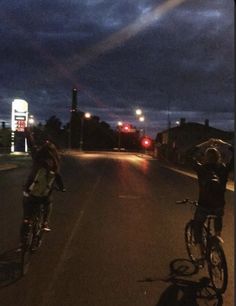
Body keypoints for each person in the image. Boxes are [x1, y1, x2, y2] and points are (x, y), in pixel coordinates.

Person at [20, 129, 65, 244]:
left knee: (27, 214)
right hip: (44, 195)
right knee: (49, 203)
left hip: (30, 191)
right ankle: (45, 223)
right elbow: (58, 178)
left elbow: (31, 145)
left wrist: (28, 134)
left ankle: (24, 234)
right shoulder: (55, 163)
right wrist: (62, 188)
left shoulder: (37, 157)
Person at [191, 139, 234, 260]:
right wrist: (223, 144)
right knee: (218, 216)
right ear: (219, 157)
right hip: (219, 205)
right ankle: (217, 239)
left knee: (197, 225)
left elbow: (190, 154)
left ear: (206, 158)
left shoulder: (201, 169)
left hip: (204, 205)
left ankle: (201, 250)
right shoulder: (224, 169)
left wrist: (205, 143)